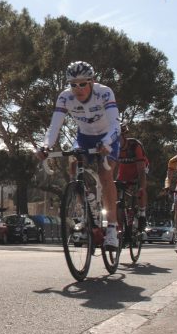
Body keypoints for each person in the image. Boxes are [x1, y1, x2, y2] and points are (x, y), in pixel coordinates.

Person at [37, 61, 121, 250]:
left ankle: (113, 229)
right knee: (74, 167)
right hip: (84, 137)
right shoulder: (65, 98)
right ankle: (87, 203)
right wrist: (45, 147)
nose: (78, 88)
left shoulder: (104, 92)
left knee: (105, 174)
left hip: (107, 136)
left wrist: (107, 143)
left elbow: (116, 124)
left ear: (93, 81)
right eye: (73, 84)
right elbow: (55, 126)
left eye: (83, 83)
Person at [115, 123, 149, 231]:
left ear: (124, 136)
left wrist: (141, 187)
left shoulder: (135, 145)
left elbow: (141, 170)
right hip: (124, 171)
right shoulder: (112, 147)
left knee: (140, 190)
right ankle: (120, 228)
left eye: (118, 137)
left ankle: (142, 213)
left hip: (140, 168)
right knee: (116, 198)